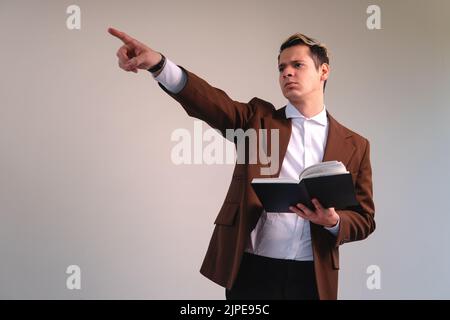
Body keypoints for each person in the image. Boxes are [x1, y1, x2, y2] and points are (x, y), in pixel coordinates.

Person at [108, 27, 375, 300]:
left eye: (297, 65)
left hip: (312, 277)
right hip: (252, 272)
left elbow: (365, 219)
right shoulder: (257, 121)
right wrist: (158, 64)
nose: (287, 72)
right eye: (282, 67)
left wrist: (333, 221)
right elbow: (211, 102)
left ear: (324, 71)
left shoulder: (356, 144)